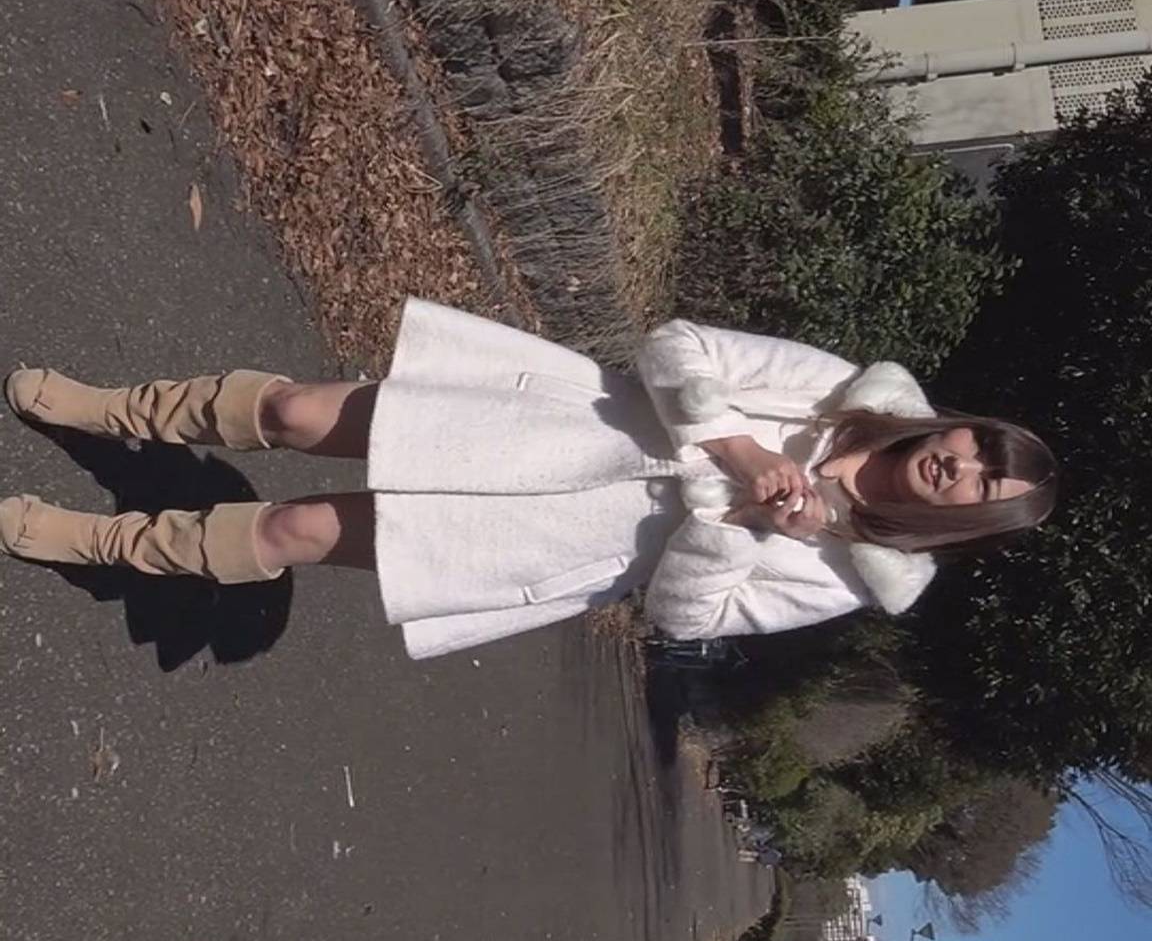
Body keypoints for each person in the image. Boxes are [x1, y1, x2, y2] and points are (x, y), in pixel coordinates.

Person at [0, 299, 1057, 659]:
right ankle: (111, 413)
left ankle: (100, 541)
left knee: (293, 532)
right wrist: (739, 449)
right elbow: (676, 345)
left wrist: (743, 525)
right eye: (974, 447)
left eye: (978, 486)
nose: (958, 465)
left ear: (967, 520)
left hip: (549, 548)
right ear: (959, 426)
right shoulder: (839, 391)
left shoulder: (846, 573)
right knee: (294, 413)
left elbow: (685, 616)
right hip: (540, 426)